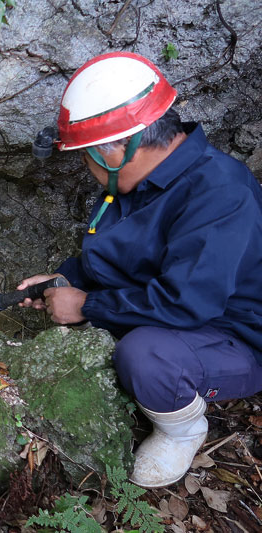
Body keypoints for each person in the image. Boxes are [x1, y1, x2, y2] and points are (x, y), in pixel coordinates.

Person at [18, 51, 262, 488]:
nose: (85, 167)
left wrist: (87, 306)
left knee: (145, 356)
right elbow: (125, 257)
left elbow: (187, 303)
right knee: (136, 339)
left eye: (85, 156)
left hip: (238, 336)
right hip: (183, 310)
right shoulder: (141, 181)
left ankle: (183, 428)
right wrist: (66, 279)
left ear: (116, 150)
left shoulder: (221, 194)